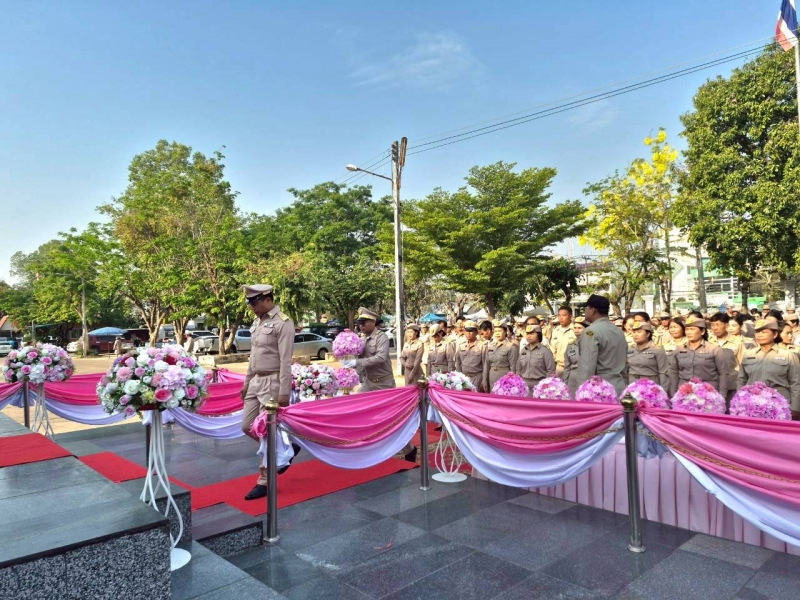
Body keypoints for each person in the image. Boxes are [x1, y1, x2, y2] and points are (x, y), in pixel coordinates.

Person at [240, 284, 297, 501]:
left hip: (273, 381)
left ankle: (264, 480)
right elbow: (253, 356)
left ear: (267, 299)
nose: (252, 308)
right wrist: (246, 383)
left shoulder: (283, 322)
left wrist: (284, 391)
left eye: (255, 303)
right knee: (247, 426)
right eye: (250, 304)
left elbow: (285, 360)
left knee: (266, 431)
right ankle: (285, 449)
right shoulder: (258, 322)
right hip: (255, 380)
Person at [344, 307, 417, 461]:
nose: (361, 326)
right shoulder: (361, 338)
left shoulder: (381, 337)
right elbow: (360, 360)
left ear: (373, 322)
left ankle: (409, 449)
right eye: (359, 323)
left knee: (390, 419)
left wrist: (357, 362)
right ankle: (366, 444)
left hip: (384, 383)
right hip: (369, 382)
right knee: (357, 408)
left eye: (364, 322)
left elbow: (381, 357)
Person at [737, 319, 800, 420]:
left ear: (775, 334)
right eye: (757, 332)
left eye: (764, 332)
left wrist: (795, 408)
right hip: (753, 405)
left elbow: (796, 383)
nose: (760, 335)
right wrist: (739, 400)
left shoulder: (788, 356)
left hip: (780, 406)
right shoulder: (748, 354)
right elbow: (741, 380)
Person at [576, 294, 628, 396]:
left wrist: (582, 392)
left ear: (592, 310)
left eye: (586, 308)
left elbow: (587, 367)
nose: (585, 312)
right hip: (619, 385)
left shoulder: (591, 331)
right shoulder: (618, 331)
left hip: (600, 390)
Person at [667, 317, 728, 398]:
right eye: (687, 329)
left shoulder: (714, 350)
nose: (689, 332)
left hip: (708, 394)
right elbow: (674, 372)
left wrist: (722, 396)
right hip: (684, 394)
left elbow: (723, 374)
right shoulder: (679, 350)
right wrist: (673, 394)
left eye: (692, 329)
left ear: (702, 331)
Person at [709, 313, 743, 404]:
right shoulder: (708, 342)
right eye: (712, 325)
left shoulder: (738, 342)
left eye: (717, 325)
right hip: (712, 386)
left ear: (726, 325)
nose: (715, 328)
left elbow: (742, 365)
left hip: (731, 385)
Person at [626, 322, 670, 390]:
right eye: (634, 332)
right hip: (632, 387)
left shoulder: (658, 350)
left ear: (648, 334)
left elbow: (663, 372)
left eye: (639, 332)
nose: (635, 334)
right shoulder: (630, 349)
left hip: (650, 388)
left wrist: (663, 391)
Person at [515, 325, 556, 395]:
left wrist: (546, 386)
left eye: (532, 334)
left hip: (539, 385)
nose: (529, 336)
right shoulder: (523, 350)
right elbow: (518, 369)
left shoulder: (545, 351)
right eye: (527, 334)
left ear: (538, 335)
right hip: (524, 385)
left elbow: (551, 371)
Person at [483, 320, 519, 391]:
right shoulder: (490, 346)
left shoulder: (511, 347)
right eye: (495, 331)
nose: (497, 333)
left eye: (499, 331)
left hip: (505, 378)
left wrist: (513, 382)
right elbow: (486, 365)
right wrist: (484, 379)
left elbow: (513, 367)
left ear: (505, 332)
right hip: (492, 377)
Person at [454, 320, 487, 391]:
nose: (468, 333)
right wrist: (458, 377)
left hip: (477, 378)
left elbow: (485, 364)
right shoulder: (461, 345)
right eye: (467, 331)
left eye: (471, 331)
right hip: (463, 378)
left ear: (476, 332)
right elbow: (458, 363)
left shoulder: (482, 346)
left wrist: (484, 380)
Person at [561, 317, 585, 395]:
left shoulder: (592, 344)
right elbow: (567, 366)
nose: (576, 330)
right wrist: (565, 382)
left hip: (586, 376)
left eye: (580, 328)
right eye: (575, 328)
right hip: (573, 377)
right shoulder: (571, 345)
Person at [551, 306, 577, 376]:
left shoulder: (575, 330)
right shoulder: (555, 331)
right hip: (559, 367)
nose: (561, 318)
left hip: (573, 368)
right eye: (559, 315)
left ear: (570, 316)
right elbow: (552, 349)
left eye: (564, 315)